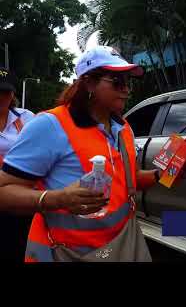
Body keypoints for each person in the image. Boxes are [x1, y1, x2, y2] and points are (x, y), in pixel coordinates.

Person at [0, 46, 166, 262]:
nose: (126, 89)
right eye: (117, 81)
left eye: (128, 81)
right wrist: (57, 199)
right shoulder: (50, 126)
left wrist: (163, 174)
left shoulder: (123, 128)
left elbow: (129, 181)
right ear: (88, 82)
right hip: (65, 254)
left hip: (121, 245)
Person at [0, 69, 35, 262]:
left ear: (12, 94)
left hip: (22, 194)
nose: (1, 98)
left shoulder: (27, 118)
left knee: (21, 245)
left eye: (5, 93)